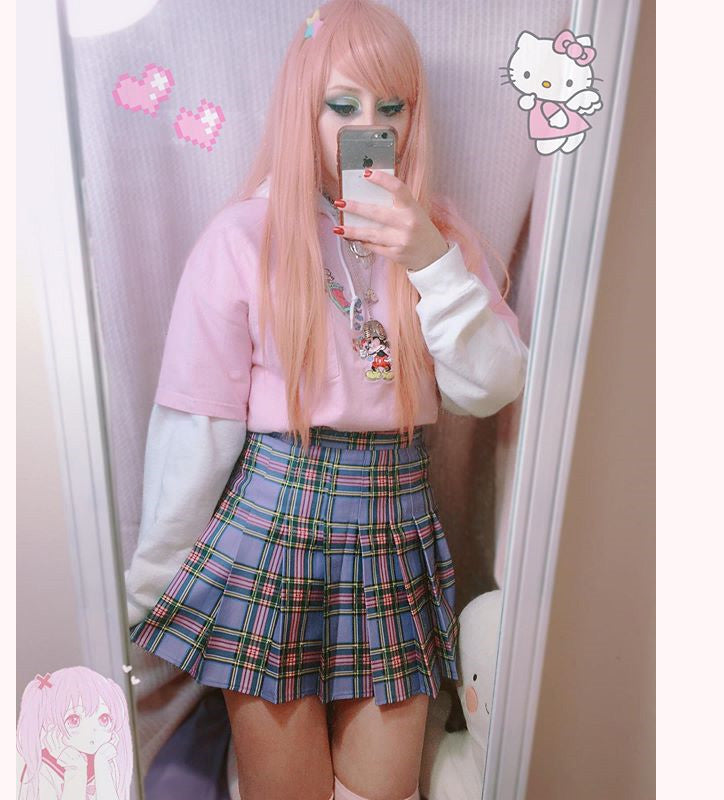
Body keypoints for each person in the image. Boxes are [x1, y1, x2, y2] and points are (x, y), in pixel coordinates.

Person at [125, 2, 529, 799]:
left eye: (391, 106)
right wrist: (150, 584)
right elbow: (198, 425)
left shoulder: (438, 237)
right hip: (273, 525)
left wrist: (429, 259)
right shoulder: (245, 238)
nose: (369, 127)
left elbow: (491, 387)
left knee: (384, 790)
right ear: (301, 110)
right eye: (342, 106)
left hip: (393, 524)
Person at [16, 666, 133, 800]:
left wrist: (102, 768)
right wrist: (75, 769)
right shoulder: (42, 770)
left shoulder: (104, 758)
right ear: (50, 728)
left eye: (104, 719)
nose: (93, 732)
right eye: (74, 720)